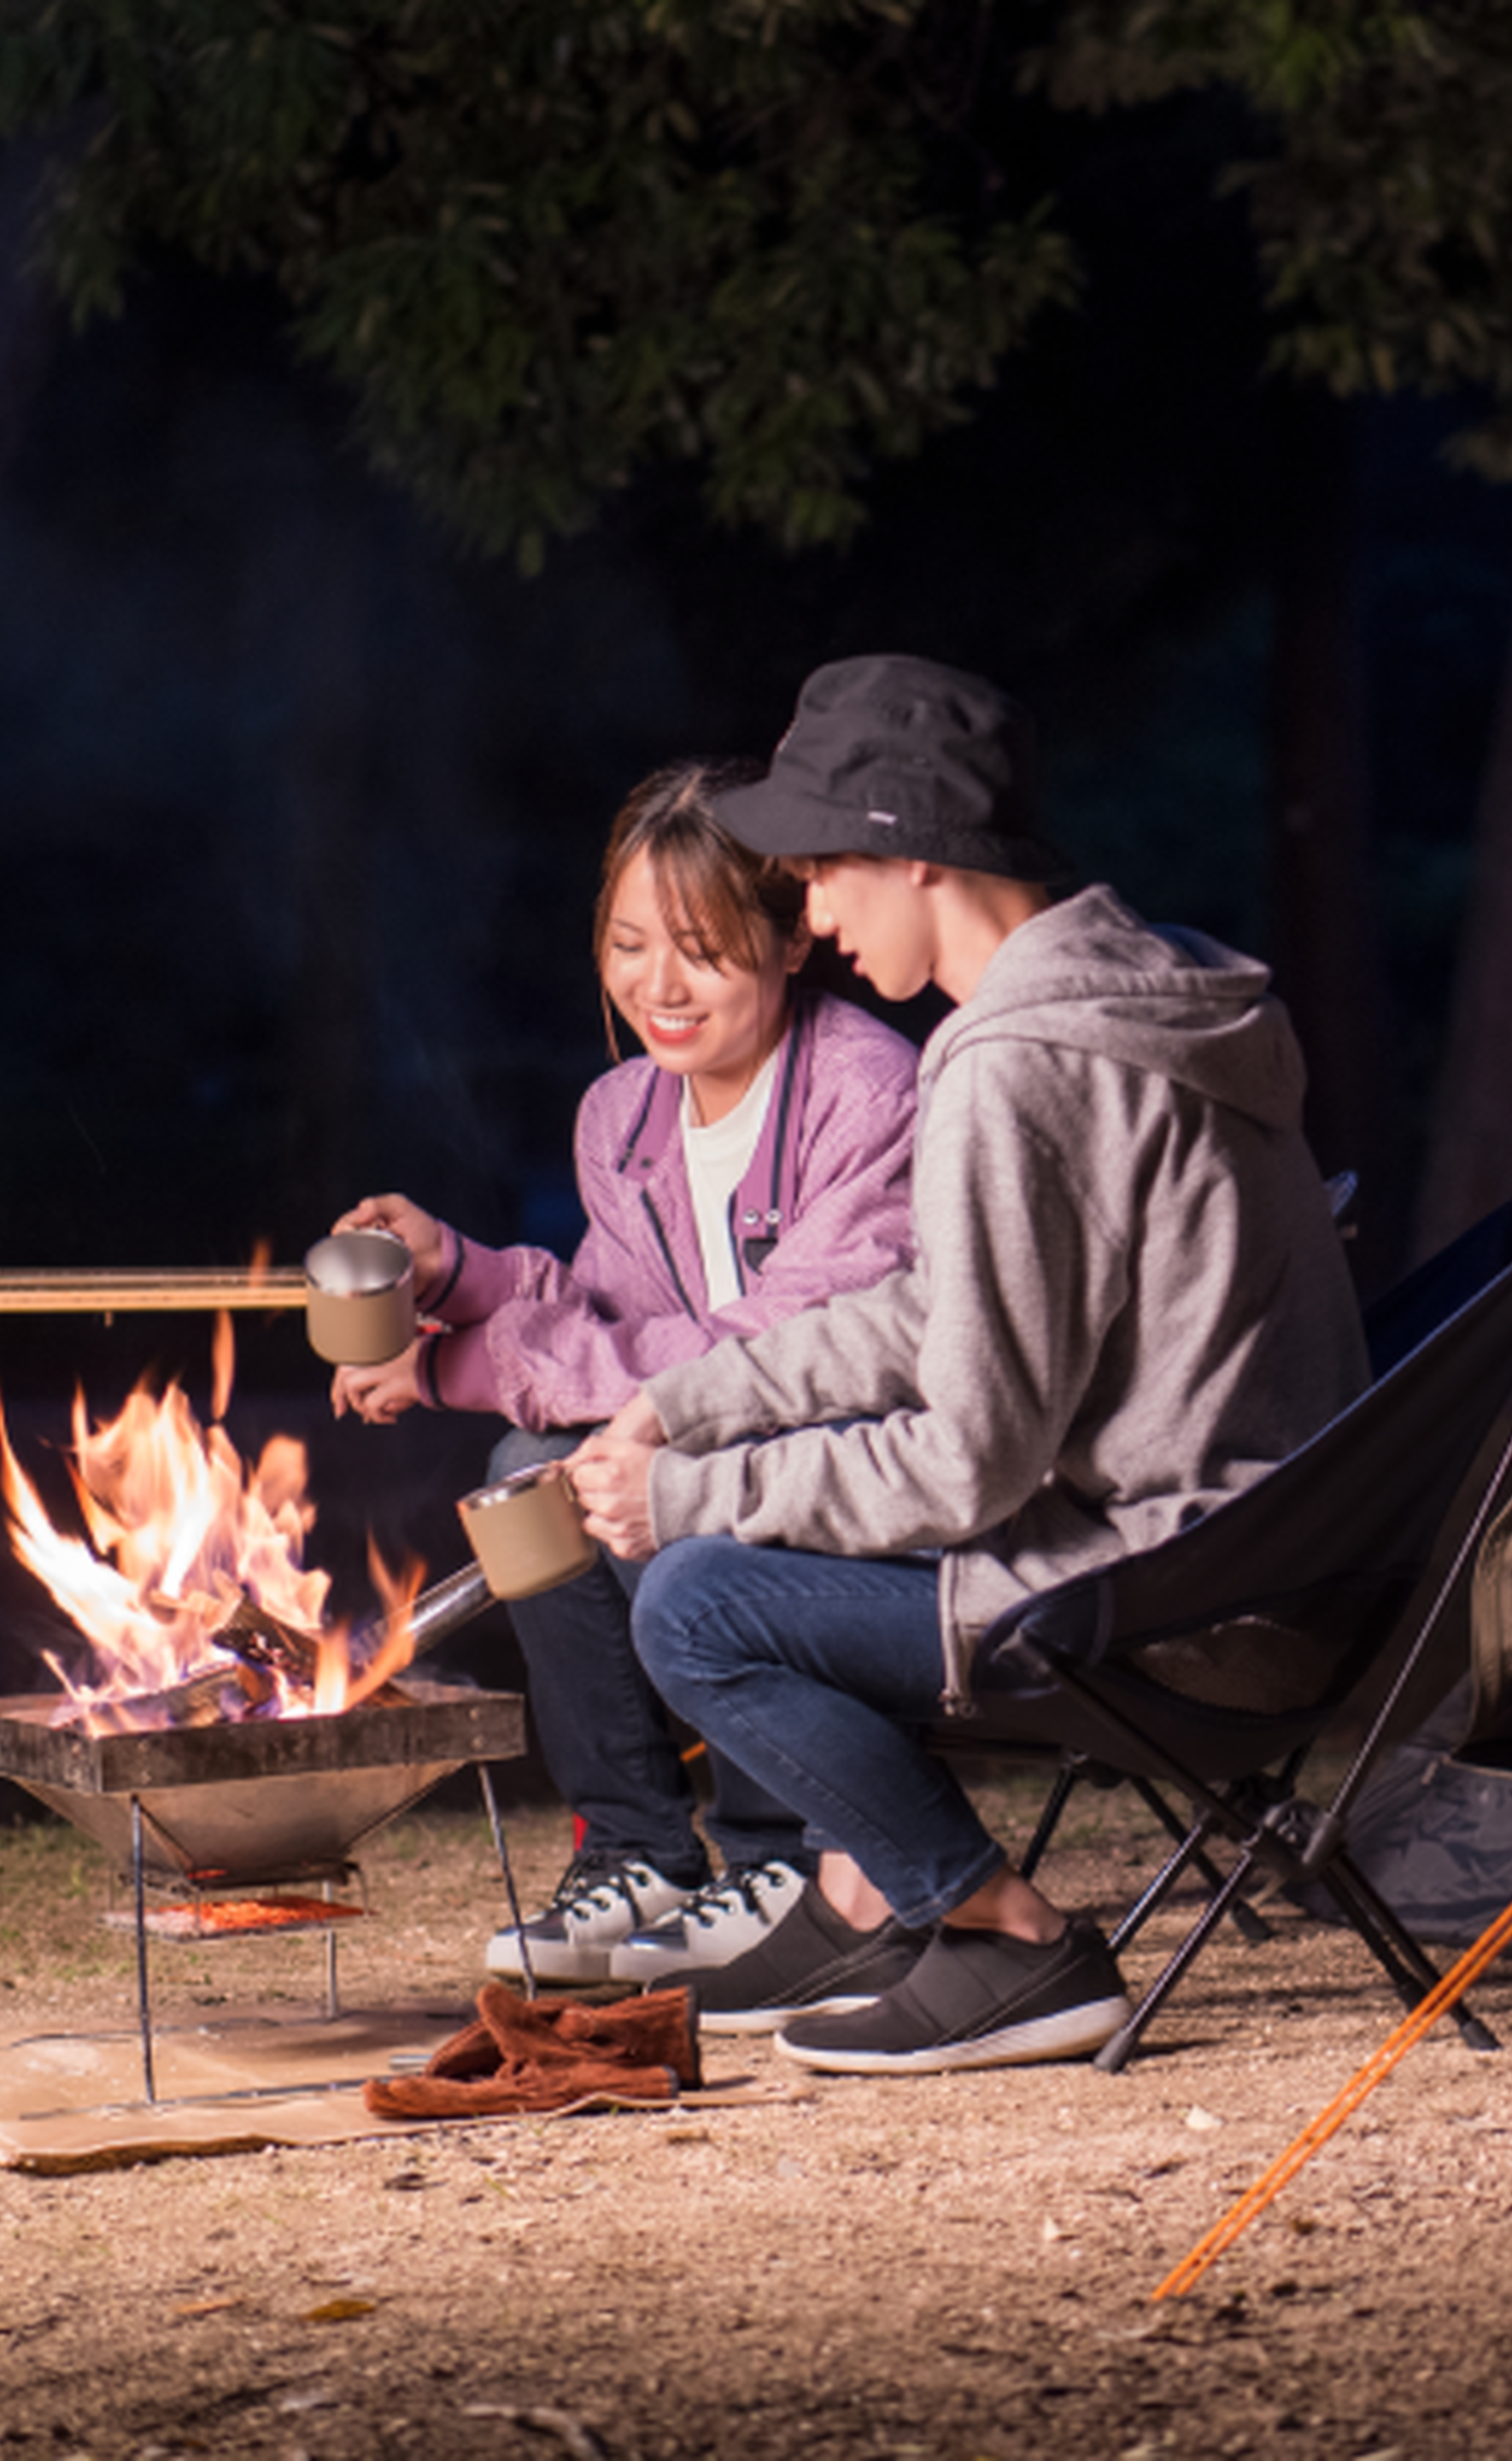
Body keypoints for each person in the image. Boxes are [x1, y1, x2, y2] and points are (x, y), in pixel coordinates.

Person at [565, 652, 1369, 2071]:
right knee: (724, 1519)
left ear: (911, 856)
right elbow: (934, 1308)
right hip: (1275, 1556)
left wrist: (686, 1498)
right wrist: (678, 1405)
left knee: (691, 1601)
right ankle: (862, 1886)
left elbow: (968, 1462)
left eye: (817, 873)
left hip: (1182, 1602)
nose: (807, 913)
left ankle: (1004, 1940)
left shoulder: (1012, 1065)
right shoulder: (1147, 987)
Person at [331, 759, 918, 1988]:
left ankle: (780, 1850)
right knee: (528, 1470)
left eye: (702, 949)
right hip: (723, 1438)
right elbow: (616, 1322)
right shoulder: (624, 1117)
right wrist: (455, 1277)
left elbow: (752, 1360)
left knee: (690, 1447)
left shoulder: (867, 1092)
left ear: (790, 936)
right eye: (630, 943)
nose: (661, 987)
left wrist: (454, 1373)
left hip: (857, 1470)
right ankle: (638, 1848)